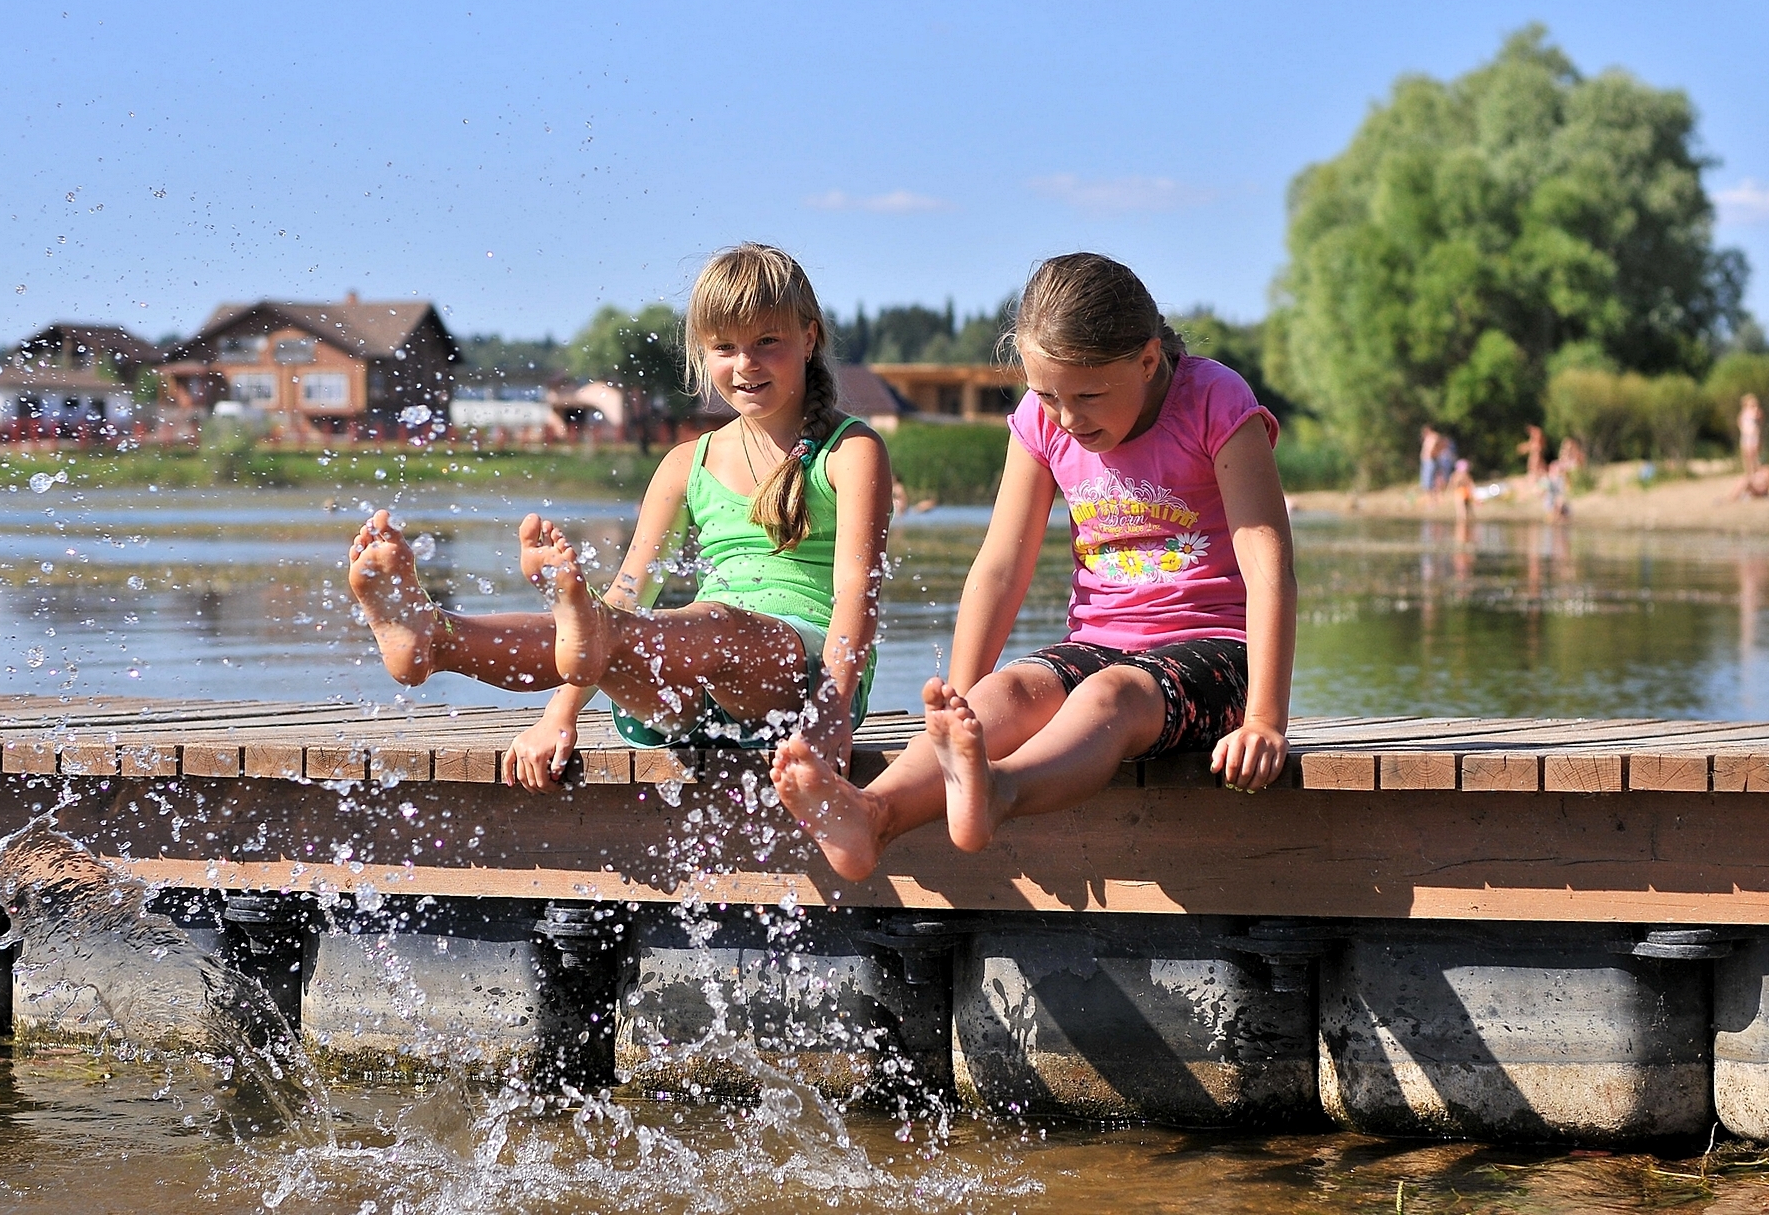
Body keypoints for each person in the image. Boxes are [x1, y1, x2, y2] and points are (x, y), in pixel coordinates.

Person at [771, 252, 1295, 881]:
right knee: (1009, 690)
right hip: (1098, 643)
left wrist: (1264, 720)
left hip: (1218, 655)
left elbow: (1269, 568)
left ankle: (1000, 791)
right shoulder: (1038, 423)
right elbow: (1000, 567)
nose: (1068, 419)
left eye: (1089, 396)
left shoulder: (1214, 401)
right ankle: (871, 815)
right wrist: (958, 709)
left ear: (1147, 360)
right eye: (1048, 396)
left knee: (1111, 694)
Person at [347, 243, 893, 785]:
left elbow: (856, 593)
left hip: (811, 679)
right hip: (691, 691)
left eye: (767, 341)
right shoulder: (685, 464)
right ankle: (435, 637)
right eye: (725, 347)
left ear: (809, 337)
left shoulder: (851, 451)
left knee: (712, 622)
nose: (745, 364)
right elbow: (628, 595)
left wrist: (833, 711)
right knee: (615, 630)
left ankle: (500, 631)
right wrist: (558, 716)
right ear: (703, 353)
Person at [1738, 393, 1764, 479]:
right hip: (1746, 435)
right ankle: (1749, 473)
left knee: (1754, 454)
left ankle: (1756, 471)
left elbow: (1760, 418)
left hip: (1753, 435)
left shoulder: (1755, 412)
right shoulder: (1743, 413)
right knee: (1746, 454)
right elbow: (1740, 422)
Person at [1419, 425, 1442, 496]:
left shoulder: (1433, 437)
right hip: (1427, 460)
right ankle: (1430, 497)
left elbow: (1434, 447)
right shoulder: (1430, 437)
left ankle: (1431, 497)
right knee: (1428, 479)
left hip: (1430, 460)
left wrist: (1431, 454)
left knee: (1429, 479)